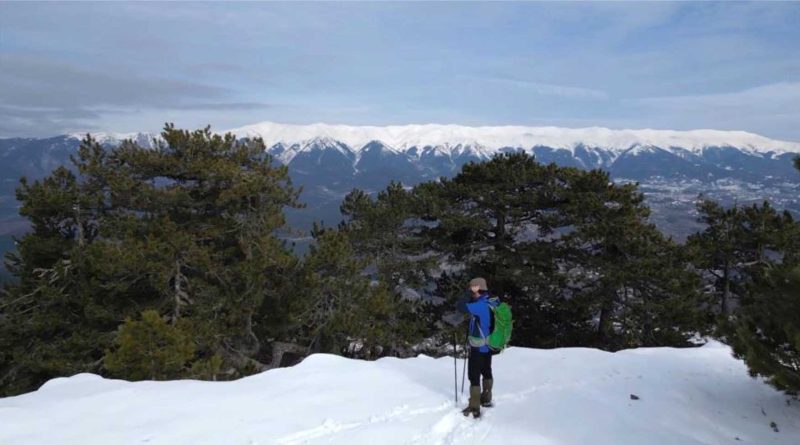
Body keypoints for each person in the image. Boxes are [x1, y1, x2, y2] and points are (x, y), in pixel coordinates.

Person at [456, 277, 499, 418]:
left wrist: (468, 294)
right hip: (489, 345)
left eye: (472, 289)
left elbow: (461, 305)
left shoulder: (480, 306)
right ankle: (486, 399)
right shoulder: (492, 301)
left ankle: (474, 406)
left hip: (478, 346)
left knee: (473, 375)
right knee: (487, 370)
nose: (470, 291)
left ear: (478, 289)